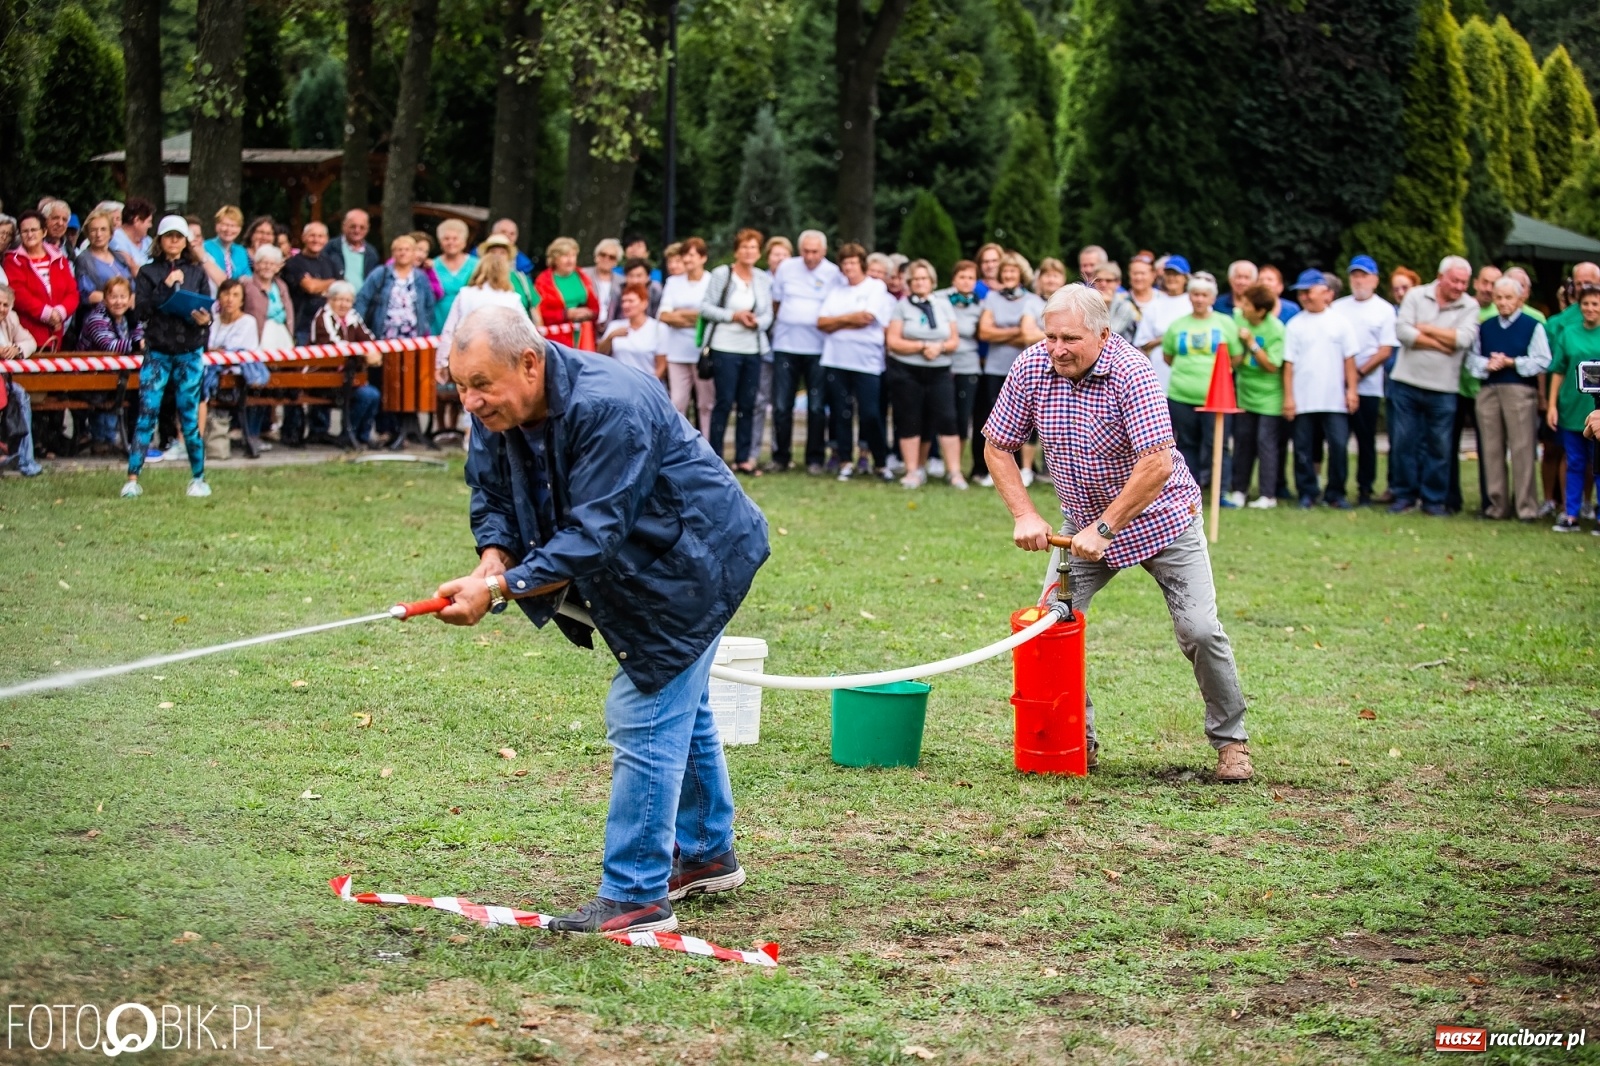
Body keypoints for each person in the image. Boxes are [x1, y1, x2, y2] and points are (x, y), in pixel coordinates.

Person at [435, 305, 768, 933]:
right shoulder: (496, 408)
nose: (471, 400)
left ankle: (637, 893)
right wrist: (491, 562)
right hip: (640, 565)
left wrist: (501, 588)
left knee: (645, 709)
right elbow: (493, 494)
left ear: (529, 363)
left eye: (481, 384)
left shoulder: (611, 404)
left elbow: (596, 533)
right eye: (460, 385)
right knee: (679, 701)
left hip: (694, 562)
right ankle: (705, 853)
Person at [983, 284, 1252, 782]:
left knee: (1199, 630)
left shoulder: (1133, 372)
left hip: (1162, 520)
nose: (1058, 348)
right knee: (1048, 627)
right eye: (1051, 336)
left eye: (1070, 338)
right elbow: (997, 447)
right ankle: (1073, 743)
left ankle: (1231, 742)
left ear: (1104, 334)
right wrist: (1024, 514)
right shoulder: (1032, 367)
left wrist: (1107, 527)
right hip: (1082, 525)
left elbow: (1157, 462)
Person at [123, 215, 212, 498]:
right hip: (158, 352)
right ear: (159, 240)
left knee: (189, 417)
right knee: (146, 415)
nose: (174, 241)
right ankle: (132, 479)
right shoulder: (147, 273)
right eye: (169, 236)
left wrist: (204, 320)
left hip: (189, 352)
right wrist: (166, 284)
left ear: (186, 241)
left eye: (179, 236)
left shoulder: (198, 272)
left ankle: (198, 478)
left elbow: (207, 311)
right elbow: (142, 311)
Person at [1389, 256, 1478, 516]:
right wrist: (1442, 344)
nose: (1460, 286)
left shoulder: (1469, 305)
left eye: (1464, 282)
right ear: (1441, 277)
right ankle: (1404, 495)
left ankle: (1433, 500)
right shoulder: (1417, 295)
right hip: (1406, 382)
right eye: (1455, 280)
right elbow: (1403, 332)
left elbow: (1463, 340)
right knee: (1404, 442)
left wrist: (1426, 329)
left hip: (1444, 387)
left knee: (1439, 446)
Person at [1464, 275, 1551, 520]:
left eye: (1508, 298)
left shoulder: (1532, 325)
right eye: (1499, 298)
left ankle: (1526, 508)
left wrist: (1512, 362)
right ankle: (1496, 506)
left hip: (1519, 390)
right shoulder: (1486, 326)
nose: (1503, 303)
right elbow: (1472, 360)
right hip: (1489, 389)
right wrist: (1488, 364)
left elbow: (1542, 360)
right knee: (1491, 449)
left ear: (1520, 298)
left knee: (1522, 449)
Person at [1281, 270, 1360, 509]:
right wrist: (1289, 398)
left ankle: (1335, 492)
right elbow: (1288, 365)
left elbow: (1349, 360)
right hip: (1304, 399)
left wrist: (1352, 390)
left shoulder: (1340, 322)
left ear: (1325, 293)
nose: (1304, 297)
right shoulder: (1295, 325)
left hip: (1334, 399)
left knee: (1338, 446)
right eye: (1301, 293)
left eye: (1308, 291)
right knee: (1303, 448)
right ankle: (1307, 491)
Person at [699, 228, 773, 475]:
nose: (749, 252)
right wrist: (734, 316)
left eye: (753, 247)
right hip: (724, 347)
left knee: (748, 403)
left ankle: (744, 458)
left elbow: (768, 315)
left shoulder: (762, 278)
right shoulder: (723, 274)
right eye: (744, 247)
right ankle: (716, 456)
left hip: (752, 348)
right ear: (736, 250)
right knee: (724, 402)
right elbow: (706, 308)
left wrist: (756, 322)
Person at [818, 242, 894, 482]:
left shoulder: (876, 287)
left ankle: (880, 462)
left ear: (861, 264)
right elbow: (821, 323)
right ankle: (845, 461)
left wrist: (837, 322)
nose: (849, 267)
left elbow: (867, 317)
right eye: (845, 262)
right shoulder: (836, 290)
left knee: (871, 413)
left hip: (867, 361)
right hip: (836, 359)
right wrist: (850, 320)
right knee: (841, 412)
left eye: (853, 262)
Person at [1161, 272, 1242, 489]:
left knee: (1217, 444)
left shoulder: (1225, 323)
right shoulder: (1177, 325)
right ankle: (1189, 489)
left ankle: (1220, 489)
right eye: (1195, 294)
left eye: (1204, 295)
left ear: (1212, 299)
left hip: (1216, 399)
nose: (1199, 299)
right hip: (1181, 395)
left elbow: (1236, 356)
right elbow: (1168, 356)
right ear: (1189, 297)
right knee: (1186, 444)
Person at [886, 259, 962, 489]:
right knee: (910, 420)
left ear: (932, 282)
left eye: (924, 279)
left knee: (948, 418)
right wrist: (921, 346)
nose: (920, 283)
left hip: (939, 371)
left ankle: (955, 473)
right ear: (909, 282)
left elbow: (953, 339)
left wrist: (939, 347)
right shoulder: (901, 306)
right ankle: (912, 471)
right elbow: (893, 341)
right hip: (907, 372)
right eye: (915, 279)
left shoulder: (943, 305)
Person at [770, 229, 840, 474]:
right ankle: (780, 456)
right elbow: (776, 302)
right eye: (806, 251)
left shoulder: (833, 273)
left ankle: (814, 458)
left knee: (817, 406)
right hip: (785, 345)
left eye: (815, 252)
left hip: (818, 348)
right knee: (781, 405)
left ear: (823, 251)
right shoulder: (787, 268)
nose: (810, 257)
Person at [973, 252, 1044, 486]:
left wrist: (1002, 334)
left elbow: (1035, 336)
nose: (1009, 275)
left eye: (1013, 271)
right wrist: (1019, 333)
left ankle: (1024, 469)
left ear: (1021, 273)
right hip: (995, 367)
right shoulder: (992, 298)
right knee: (996, 421)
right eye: (1005, 272)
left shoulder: (1033, 300)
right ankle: (995, 472)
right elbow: (985, 333)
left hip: (1026, 368)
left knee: (1027, 420)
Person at [1332, 255, 1397, 506]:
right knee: (1338, 440)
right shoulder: (1338, 307)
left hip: (1368, 386)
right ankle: (1336, 488)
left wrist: (1357, 375)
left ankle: (1365, 489)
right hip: (1337, 387)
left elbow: (1385, 350)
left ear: (1375, 280)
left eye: (1364, 275)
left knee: (1365, 439)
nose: (1359, 280)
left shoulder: (1384, 309)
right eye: (1355, 275)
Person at [1228, 283, 1287, 508]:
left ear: (1260, 311)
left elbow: (1272, 365)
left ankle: (1267, 495)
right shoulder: (1237, 318)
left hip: (1270, 397)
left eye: (1247, 304)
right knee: (1243, 443)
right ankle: (1239, 491)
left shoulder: (1276, 329)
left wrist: (1251, 343)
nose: (1242, 307)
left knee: (1266, 444)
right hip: (1244, 393)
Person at [1547, 286, 1600, 532]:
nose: (1590, 308)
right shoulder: (1567, 333)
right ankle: (1571, 514)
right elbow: (1558, 370)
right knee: (1574, 461)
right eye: (1586, 304)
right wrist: (1551, 405)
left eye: (1595, 304)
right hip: (1572, 405)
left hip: (1597, 408)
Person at [436, 248, 532, 380]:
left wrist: (442, 361)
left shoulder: (465, 294)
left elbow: (449, 330)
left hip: (468, 354)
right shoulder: (512, 298)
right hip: (501, 358)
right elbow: (527, 332)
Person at [309, 280, 383, 448]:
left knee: (372, 395)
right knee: (367, 395)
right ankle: (348, 434)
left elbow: (369, 338)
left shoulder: (353, 317)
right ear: (330, 300)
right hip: (322, 378)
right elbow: (335, 345)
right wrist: (364, 354)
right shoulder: (323, 317)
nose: (343, 304)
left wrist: (373, 351)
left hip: (346, 378)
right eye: (339, 299)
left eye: (348, 300)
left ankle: (360, 435)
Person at [79, 275, 143, 453]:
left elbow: (140, 335)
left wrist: (141, 341)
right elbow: (110, 346)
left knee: (142, 388)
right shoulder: (96, 318)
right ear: (105, 298)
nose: (118, 302)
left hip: (119, 377)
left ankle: (133, 441)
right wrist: (139, 344)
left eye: (123, 297)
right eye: (113, 297)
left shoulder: (130, 317)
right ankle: (105, 440)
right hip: (91, 379)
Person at [659, 237, 714, 438]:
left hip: (703, 352)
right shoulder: (673, 282)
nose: (687, 259)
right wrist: (695, 316)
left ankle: (708, 447)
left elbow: (710, 314)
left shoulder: (711, 280)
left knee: (705, 404)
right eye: (685, 255)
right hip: (677, 351)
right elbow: (664, 315)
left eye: (691, 255)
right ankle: (677, 446)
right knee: (678, 402)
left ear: (703, 257)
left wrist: (681, 313)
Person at [3, 209, 78, 351]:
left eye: (34, 230)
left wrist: (60, 313)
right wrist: (47, 314)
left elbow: (72, 292)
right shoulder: (13, 261)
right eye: (25, 231)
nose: (30, 234)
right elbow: (18, 294)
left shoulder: (59, 258)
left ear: (44, 232)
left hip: (56, 332)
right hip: (28, 334)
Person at [939, 259, 984, 473]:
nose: (966, 282)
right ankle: (939, 461)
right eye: (962, 277)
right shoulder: (940, 299)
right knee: (944, 414)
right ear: (953, 278)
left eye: (971, 278)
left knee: (962, 417)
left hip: (968, 364)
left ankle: (954, 469)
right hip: (943, 363)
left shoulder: (980, 304)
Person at [1133, 253, 1192, 389]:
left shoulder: (1192, 302)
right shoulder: (1154, 305)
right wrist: (1165, 339)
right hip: (1159, 375)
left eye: (1176, 274)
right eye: (1168, 274)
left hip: (1188, 373)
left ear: (1185, 278)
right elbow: (1141, 344)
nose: (1172, 278)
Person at [0, 284, 41, 476]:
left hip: (5, 382)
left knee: (20, 395)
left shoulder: (11, 318)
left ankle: (26, 461)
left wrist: (16, 348)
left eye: (5, 304)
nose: (2, 308)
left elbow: (30, 341)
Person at [597, 283, 667, 381]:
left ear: (644, 303)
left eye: (631, 301)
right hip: (619, 383)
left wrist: (650, 384)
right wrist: (610, 337)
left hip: (647, 383)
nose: (625, 305)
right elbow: (600, 353)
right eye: (623, 301)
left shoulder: (657, 328)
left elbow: (662, 365)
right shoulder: (615, 325)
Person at [535, 237, 600, 336]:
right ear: (554, 259)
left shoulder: (582, 276)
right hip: (557, 335)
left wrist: (589, 313)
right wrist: (566, 314)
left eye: (573, 255)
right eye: (565, 256)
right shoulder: (544, 281)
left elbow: (595, 306)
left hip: (583, 334)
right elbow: (540, 313)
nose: (570, 260)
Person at [74, 208, 132, 308]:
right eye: (93, 230)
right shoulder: (83, 260)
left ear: (111, 233)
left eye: (103, 229)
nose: (98, 234)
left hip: (125, 316)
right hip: (99, 316)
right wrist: (119, 301)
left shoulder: (119, 257)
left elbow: (132, 287)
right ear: (88, 234)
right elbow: (86, 295)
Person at [431, 220, 477, 333]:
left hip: (468, 321)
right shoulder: (432, 265)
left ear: (464, 242)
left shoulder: (476, 264)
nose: (450, 242)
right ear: (440, 242)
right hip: (438, 321)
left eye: (455, 238)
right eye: (446, 239)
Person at [201, 205, 251, 283]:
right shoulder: (205, 247)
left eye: (233, 226)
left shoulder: (241, 251)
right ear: (217, 226)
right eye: (225, 225)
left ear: (240, 229)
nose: (229, 229)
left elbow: (248, 276)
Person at [1092, 262, 1137, 342]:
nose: (1103, 284)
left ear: (1118, 282)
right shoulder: (1088, 302)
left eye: (1108, 281)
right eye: (1099, 280)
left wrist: (1105, 305)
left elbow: (1110, 334)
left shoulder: (1125, 305)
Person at [110, 198, 154, 273]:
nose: (151, 226)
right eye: (149, 221)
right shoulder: (116, 238)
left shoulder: (148, 241)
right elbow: (133, 269)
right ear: (136, 220)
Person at [585, 239, 622, 328]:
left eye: (611, 257)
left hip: (611, 326)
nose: (606, 259)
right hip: (587, 325)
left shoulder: (622, 282)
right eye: (603, 255)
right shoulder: (583, 275)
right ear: (596, 256)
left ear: (616, 262)